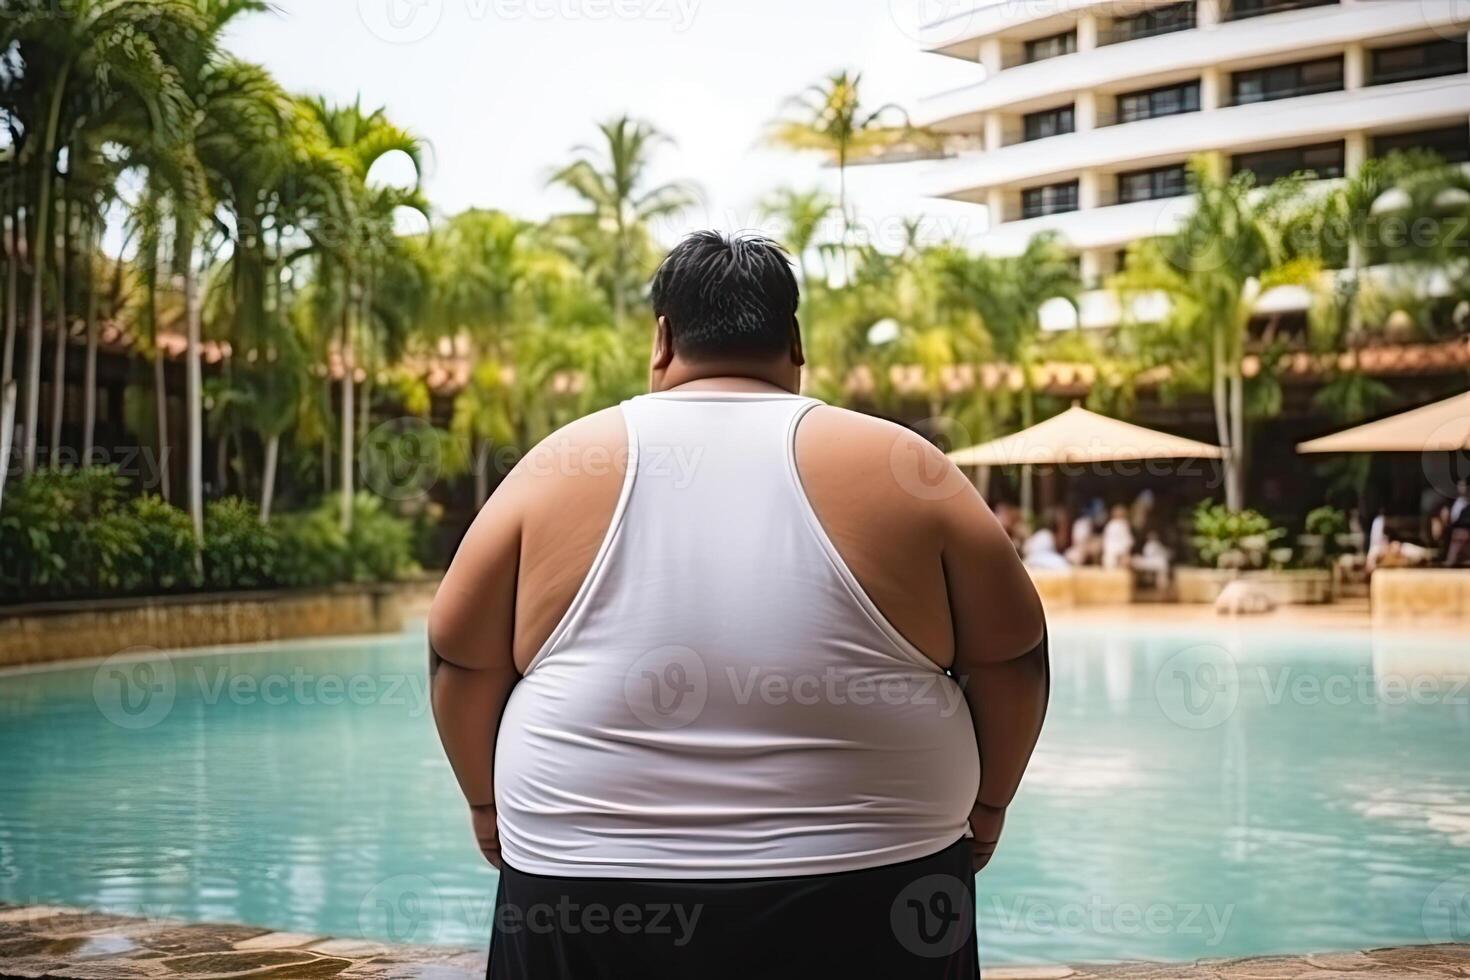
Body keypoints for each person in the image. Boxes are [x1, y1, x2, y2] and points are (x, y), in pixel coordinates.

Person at [428, 232, 1049, 979]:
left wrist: (486, 806)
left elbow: (457, 654)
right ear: (794, 342)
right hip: (878, 883)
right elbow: (1016, 657)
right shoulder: (903, 464)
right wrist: (990, 806)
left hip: (583, 886)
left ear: (662, 340)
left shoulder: (559, 463)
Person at [1102, 504, 1135, 569]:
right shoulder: (1110, 525)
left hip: (1119, 552)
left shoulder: (1123, 524)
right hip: (1111, 552)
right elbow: (1106, 540)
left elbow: (1128, 541)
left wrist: (1125, 553)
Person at [1446, 480, 1470, 567]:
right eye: (1460, 486)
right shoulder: (1453, 502)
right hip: (1452, 533)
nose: (1462, 488)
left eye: (1464, 486)